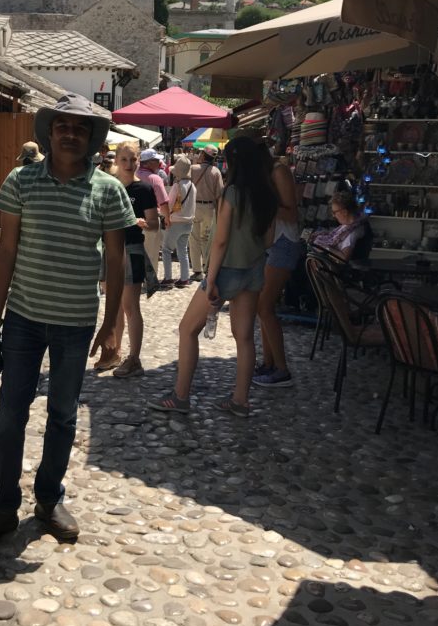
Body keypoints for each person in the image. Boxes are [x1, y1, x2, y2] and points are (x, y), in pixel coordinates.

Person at [0, 93, 136, 545]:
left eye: (80, 127)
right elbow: (6, 250)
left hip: (75, 323)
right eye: (63, 125)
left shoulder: (109, 189)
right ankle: (2, 506)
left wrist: (113, 324)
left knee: (62, 415)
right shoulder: (22, 181)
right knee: (9, 413)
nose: (71, 133)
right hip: (22, 319)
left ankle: (48, 499)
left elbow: (116, 261)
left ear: (91, 138)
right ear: (50, 131)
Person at [148, 136, 279, 418]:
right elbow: (268, 240)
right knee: (244, 338)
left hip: (227, 269)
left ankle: (180, 396)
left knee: (187, 329)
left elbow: (220, 241)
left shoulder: (233, 193)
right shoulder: (268, 194)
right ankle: (240, 401)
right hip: (254, 270)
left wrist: (211, 279)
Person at [101, 142, 158, 378]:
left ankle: (134, 359)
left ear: (138, 161)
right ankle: (114, 352)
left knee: (130, 306)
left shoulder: (143, 189)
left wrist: (142, 222)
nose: (128, 164)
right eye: (124, 159)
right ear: (116, 161)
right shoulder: (108, 187)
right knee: (113, 306)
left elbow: (155, 224)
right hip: (109, 250)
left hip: (131, 249)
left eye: (133, 159)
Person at [252, 152, 302, 387]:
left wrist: (264, 202)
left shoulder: (278, 171)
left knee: (265, 306)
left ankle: (282, 369)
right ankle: (269, 363)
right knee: (262, 308)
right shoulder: (263, 174)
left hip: (284, 242)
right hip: (272, 243)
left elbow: (292, 214)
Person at [189, 145, 224, 281]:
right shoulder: (216, 172)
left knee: (194, 239)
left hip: (194, 207)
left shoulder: (193, 169)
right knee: (207, 239)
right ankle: (207, 267)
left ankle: (197, 271)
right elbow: (219, 194)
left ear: (203, 155)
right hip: (209, 208)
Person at [160, 154, 196, 288]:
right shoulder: (193, 186)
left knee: (166, 249)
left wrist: (166, 217)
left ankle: (168, 278)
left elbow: (169, 205)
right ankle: (184, 278)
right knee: (183, 250)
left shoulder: (177, 185)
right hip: (188, 223)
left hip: (176, 222)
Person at [137, 148, 170, 278]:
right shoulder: (155, 179)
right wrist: (167, 218)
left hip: (133, 219)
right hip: (150, 219)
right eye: (156, 160)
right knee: (151, 251)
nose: (159, 163)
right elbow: (163, 202)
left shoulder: (134, 175)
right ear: (148, 163)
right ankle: (150, 280)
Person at [310, 190, 370, 260]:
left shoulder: (354, 232)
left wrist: (325, 248)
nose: (333, 216)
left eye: (334, 212)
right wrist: (324, 234)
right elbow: (336, 236)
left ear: (344, 212)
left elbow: (343, 258)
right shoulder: (349, 225)